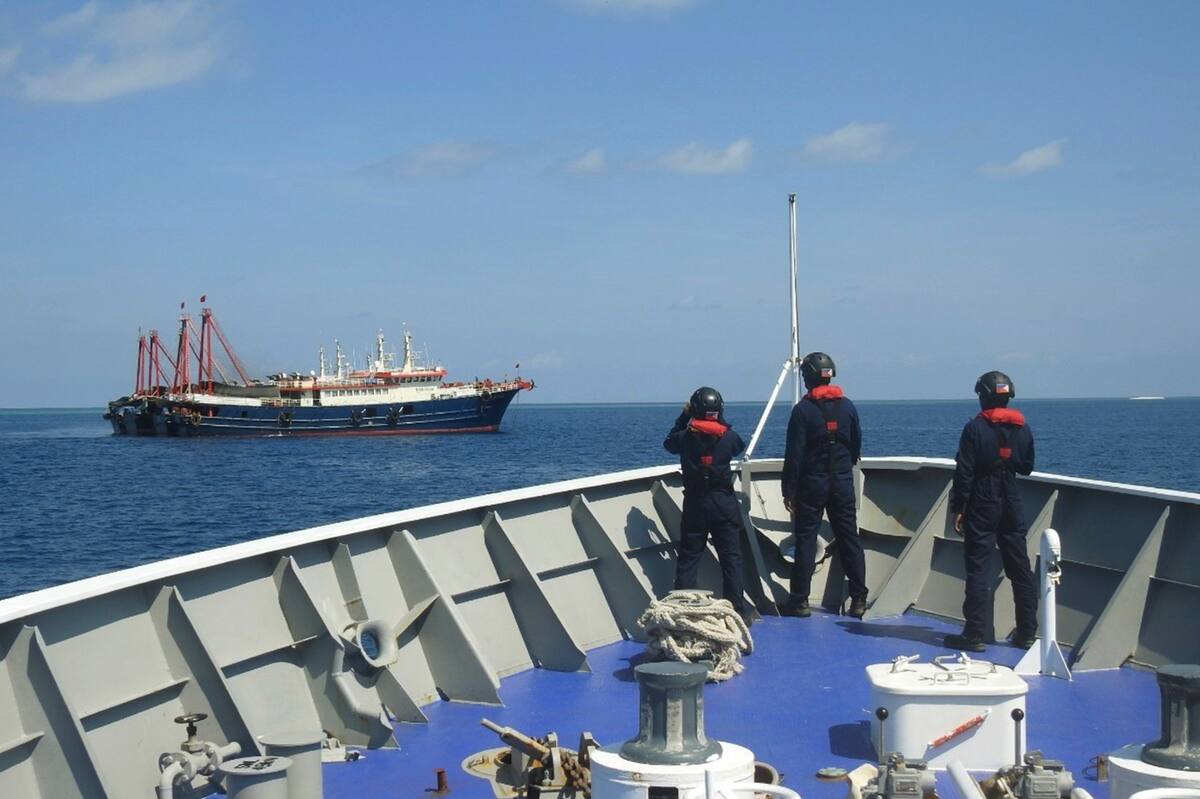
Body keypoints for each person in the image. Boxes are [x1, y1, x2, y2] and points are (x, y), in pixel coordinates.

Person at [945, 371, 1038, 652]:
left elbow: (965, 472)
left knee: (978, 569)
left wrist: (959, 507)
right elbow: (1027, 466)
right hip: (1011, 498)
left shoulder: (974, 429)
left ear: (983, 396)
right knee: (1020, 568)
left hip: (983, 500)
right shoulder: (1022, 428)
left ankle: (974, 634)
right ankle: (1027, 633)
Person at [780, 352, 868, 619]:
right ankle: (859, 598)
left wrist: (789, 490)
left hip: (812, 482)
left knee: (806, 539)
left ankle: (800, 601)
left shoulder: (803, 410)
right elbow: (855, 445)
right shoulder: (848, 406)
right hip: (841, 481)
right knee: (848, 537)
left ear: (807, 377)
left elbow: (794, 454)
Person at [663, 386, 753, 624]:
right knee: (731, 559)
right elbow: (738, 446)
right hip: (723, 503)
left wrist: (685, 416)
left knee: (689, 558)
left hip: (696, 504)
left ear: (695, 409)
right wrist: (718, 418)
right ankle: (737, 613)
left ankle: (683, 611)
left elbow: (669, 442)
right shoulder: (729, 438)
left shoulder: (684, 438)